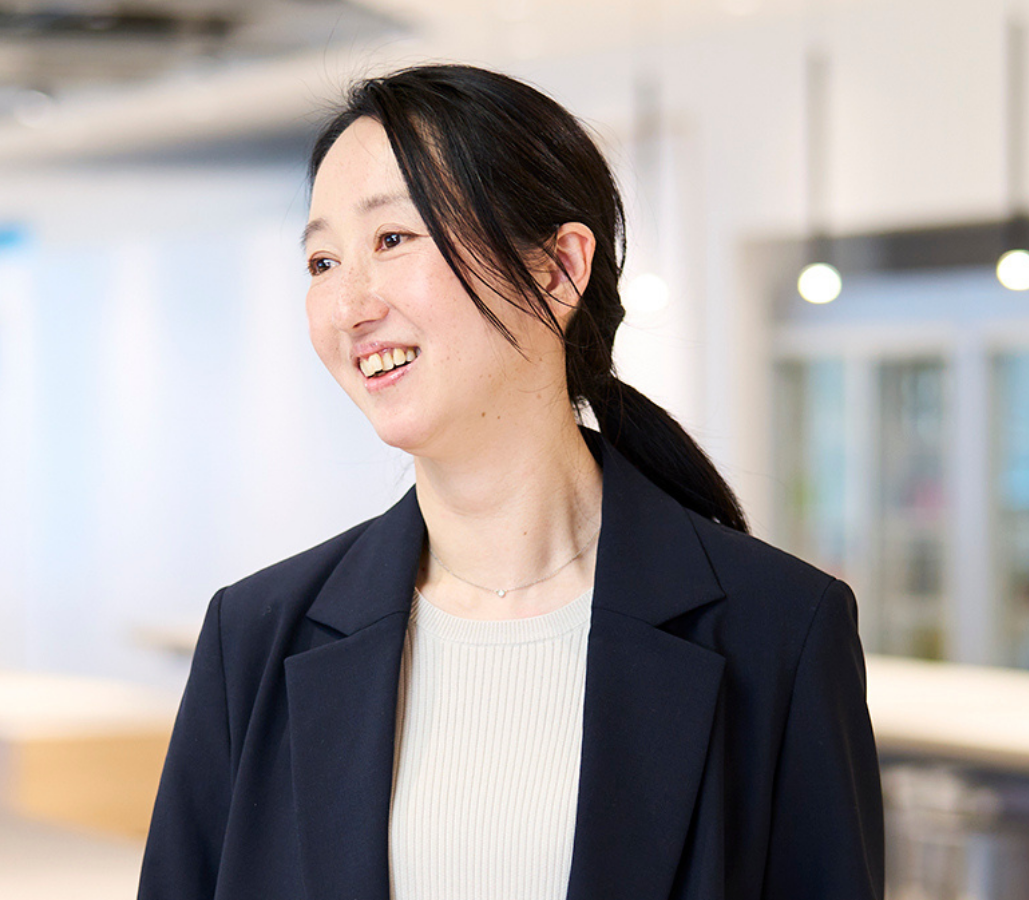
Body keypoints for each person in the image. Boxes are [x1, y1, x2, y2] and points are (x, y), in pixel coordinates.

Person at [138, 64, 883, 900]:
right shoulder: (254, 639)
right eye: (321, 260)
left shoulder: (779, 632)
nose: (349, 306)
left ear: (559, 269)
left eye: (393, 239)